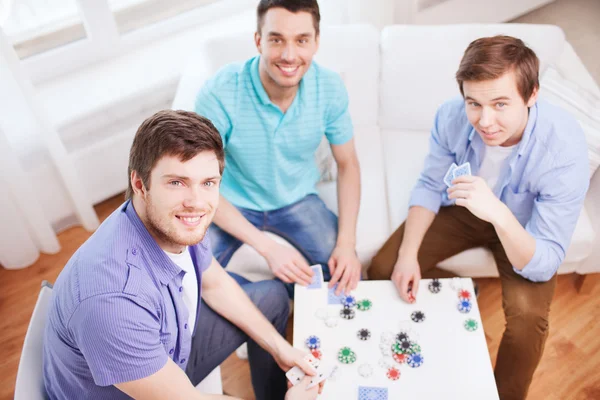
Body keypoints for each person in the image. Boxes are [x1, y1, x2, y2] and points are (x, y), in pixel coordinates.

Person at [43, 110, 321, 400]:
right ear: (140, 184)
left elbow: (215, 283)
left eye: (208, 183)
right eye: (176, 182)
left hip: (167, 352)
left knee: (273, 298)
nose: (196, 202)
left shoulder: (175, 222)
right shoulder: (112, 301)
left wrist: (281, 349)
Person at [368, 36, 589, 400]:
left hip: (521, 228)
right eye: (474, 103)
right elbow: (427, 184)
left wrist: (498, 213)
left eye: (501, 104)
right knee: (383, 267)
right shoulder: (451, 116)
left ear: (532, 94)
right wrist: (408, 256)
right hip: (464, 210)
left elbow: (545, 261)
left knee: (528, 323)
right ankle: (464, 291)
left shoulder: (563, 151)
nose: (485, 121)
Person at [195, 0, 362, 297]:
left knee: (343, 274)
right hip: (232, 200)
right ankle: (266, 302)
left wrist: (347, 244)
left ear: (316, 43)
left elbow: (348, 164)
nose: (289, 55)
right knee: (192, 277)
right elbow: (198, 182)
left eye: (301, 41)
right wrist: (266, 246)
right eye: (276, 40)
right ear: (258, 41)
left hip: (297, 198)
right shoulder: (220, 92)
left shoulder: (330, 88)